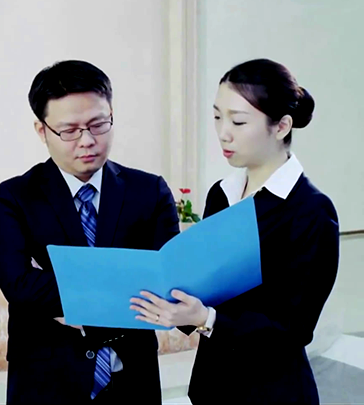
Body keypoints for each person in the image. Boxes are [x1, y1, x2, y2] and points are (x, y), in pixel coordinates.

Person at [130, 58, 340, 404]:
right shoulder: (222, 193)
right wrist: (178, 307)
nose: (223, 133)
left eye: (238, 121)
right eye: (217, 117)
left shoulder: (311, 211)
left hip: (272, 393)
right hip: (213, 387)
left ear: (282, 126)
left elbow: (293, 329)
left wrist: (206, 319)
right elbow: (209, 291)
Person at [0, 59, 180, 404]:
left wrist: (72, 301)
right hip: (46, 384)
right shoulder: (14, 197)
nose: (87, 141)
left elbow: (167, 278)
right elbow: (19, 285)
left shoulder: (149, 191)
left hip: (132, 383)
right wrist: (125, 289)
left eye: (98, 124)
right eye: (70, 130)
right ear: (42, 130)